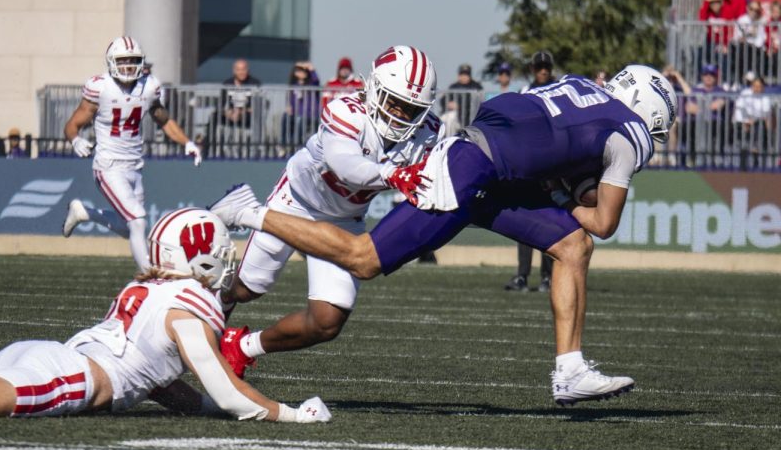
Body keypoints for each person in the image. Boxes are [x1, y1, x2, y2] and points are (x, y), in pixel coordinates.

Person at [211, 65, 677, 406]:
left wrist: (552, 180)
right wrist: (562, 195)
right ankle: (249, 213)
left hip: (485, 161)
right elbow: (604, 220)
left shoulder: (576, 85)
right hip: (470, 171)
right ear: (650, 114)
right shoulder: (630, 130)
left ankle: (570, 369)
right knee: (364, 259)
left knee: (573, 246)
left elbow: (510, 109)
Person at [0, 198, 330, 423]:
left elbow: (162, 383)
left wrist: (205, 409)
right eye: (223, 254)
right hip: (75, 374)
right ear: (199, 258)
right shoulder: (193, 305)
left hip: (50, 357)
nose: (226, 264)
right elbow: (227, 390)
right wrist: (291, 415)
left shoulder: (149, 289)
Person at [220, 46, 442, 374]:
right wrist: (392, 174)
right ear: (374, 88)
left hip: (344, 219)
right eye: (394, 101)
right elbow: (345, 166)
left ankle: (241, 347)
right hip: (296, 202)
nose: (400, 114)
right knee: (247, 288)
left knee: (327, 321)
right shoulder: (345, 110)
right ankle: (200, 321)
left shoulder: (428, 134)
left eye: (411, 108)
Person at [61, 36, 202, 272]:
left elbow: (163, 120)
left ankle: (86, 213)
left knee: (130, 228)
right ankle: (150, 275)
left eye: (132, 60)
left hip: (135, 166)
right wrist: (75, 139)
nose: (127, 66)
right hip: (108, 165)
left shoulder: (149, 87)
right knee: (137, 220)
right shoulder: (100, 87)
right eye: (122, 60)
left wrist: (186, 142)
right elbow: (72, 123)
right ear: (111, 62)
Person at [507, 50, 558, 293]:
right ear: (533, 68)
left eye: (546, 66)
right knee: (525, 223)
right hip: (529, 161)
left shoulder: (559, 91)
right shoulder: (524, 93)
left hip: (551, 161)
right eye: (539, 66)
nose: (543, 70)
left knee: (549, 222)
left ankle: (548, 277)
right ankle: (522, 276)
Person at [219, 59, 262, 158]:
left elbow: (255, 106)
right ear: (234, 70)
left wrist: (240, 111)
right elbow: (221, 104)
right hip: (230, 115)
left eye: (243, 69)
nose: (241, 72)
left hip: (247, 115)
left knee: (250, 118)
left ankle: (245, 151)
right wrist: (228, 113)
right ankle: (211, 147)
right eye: (238, 69)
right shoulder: (227, 83)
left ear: (247, 70)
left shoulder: (255, 83)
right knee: (214, 117)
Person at [733, 76, 773, 170]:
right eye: (755, 86)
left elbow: (764, 115)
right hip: (741, 121)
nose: (757, 88)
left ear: (763, 87)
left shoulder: (766, 98)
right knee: (743, 133)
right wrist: (745, 121)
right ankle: (743, 162)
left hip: (757, 122)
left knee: (759, 128)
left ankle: (756, 159)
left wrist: (752, 120)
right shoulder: (745, 93)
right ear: (751, 86)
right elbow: (739, 109)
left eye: (759, 86)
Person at [281, 61, 321, 150]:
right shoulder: (293, 86)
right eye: (299, 70)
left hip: (310, 115)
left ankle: (297, 146)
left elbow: (316, 80)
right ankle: (284, 145)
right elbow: (290, 100)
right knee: (285, 117)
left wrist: (311, 68)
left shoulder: (311, 84)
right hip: (296, 113)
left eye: (304, 71)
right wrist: (289, 107)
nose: (302, 72)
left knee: (300, 121)